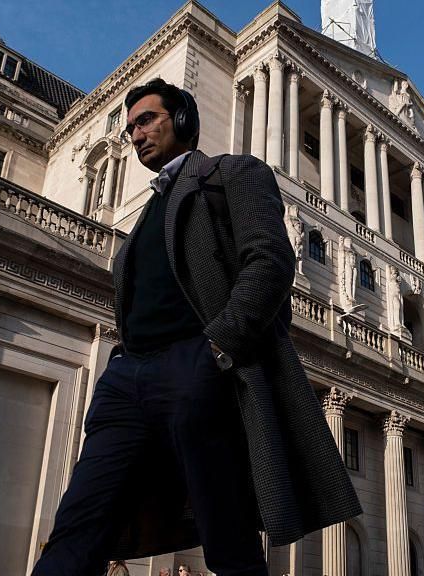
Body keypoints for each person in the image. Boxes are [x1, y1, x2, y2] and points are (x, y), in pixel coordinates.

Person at [31, 78, 361, 576]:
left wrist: (217, 349)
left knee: (226, 533)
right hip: (127, 379)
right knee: (79, 523)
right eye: (130, 128)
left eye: (146, 120)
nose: (136, 135)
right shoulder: (147, 212)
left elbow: (270, 261)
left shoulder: (233, 174)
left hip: (195, 365)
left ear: (182, 120)